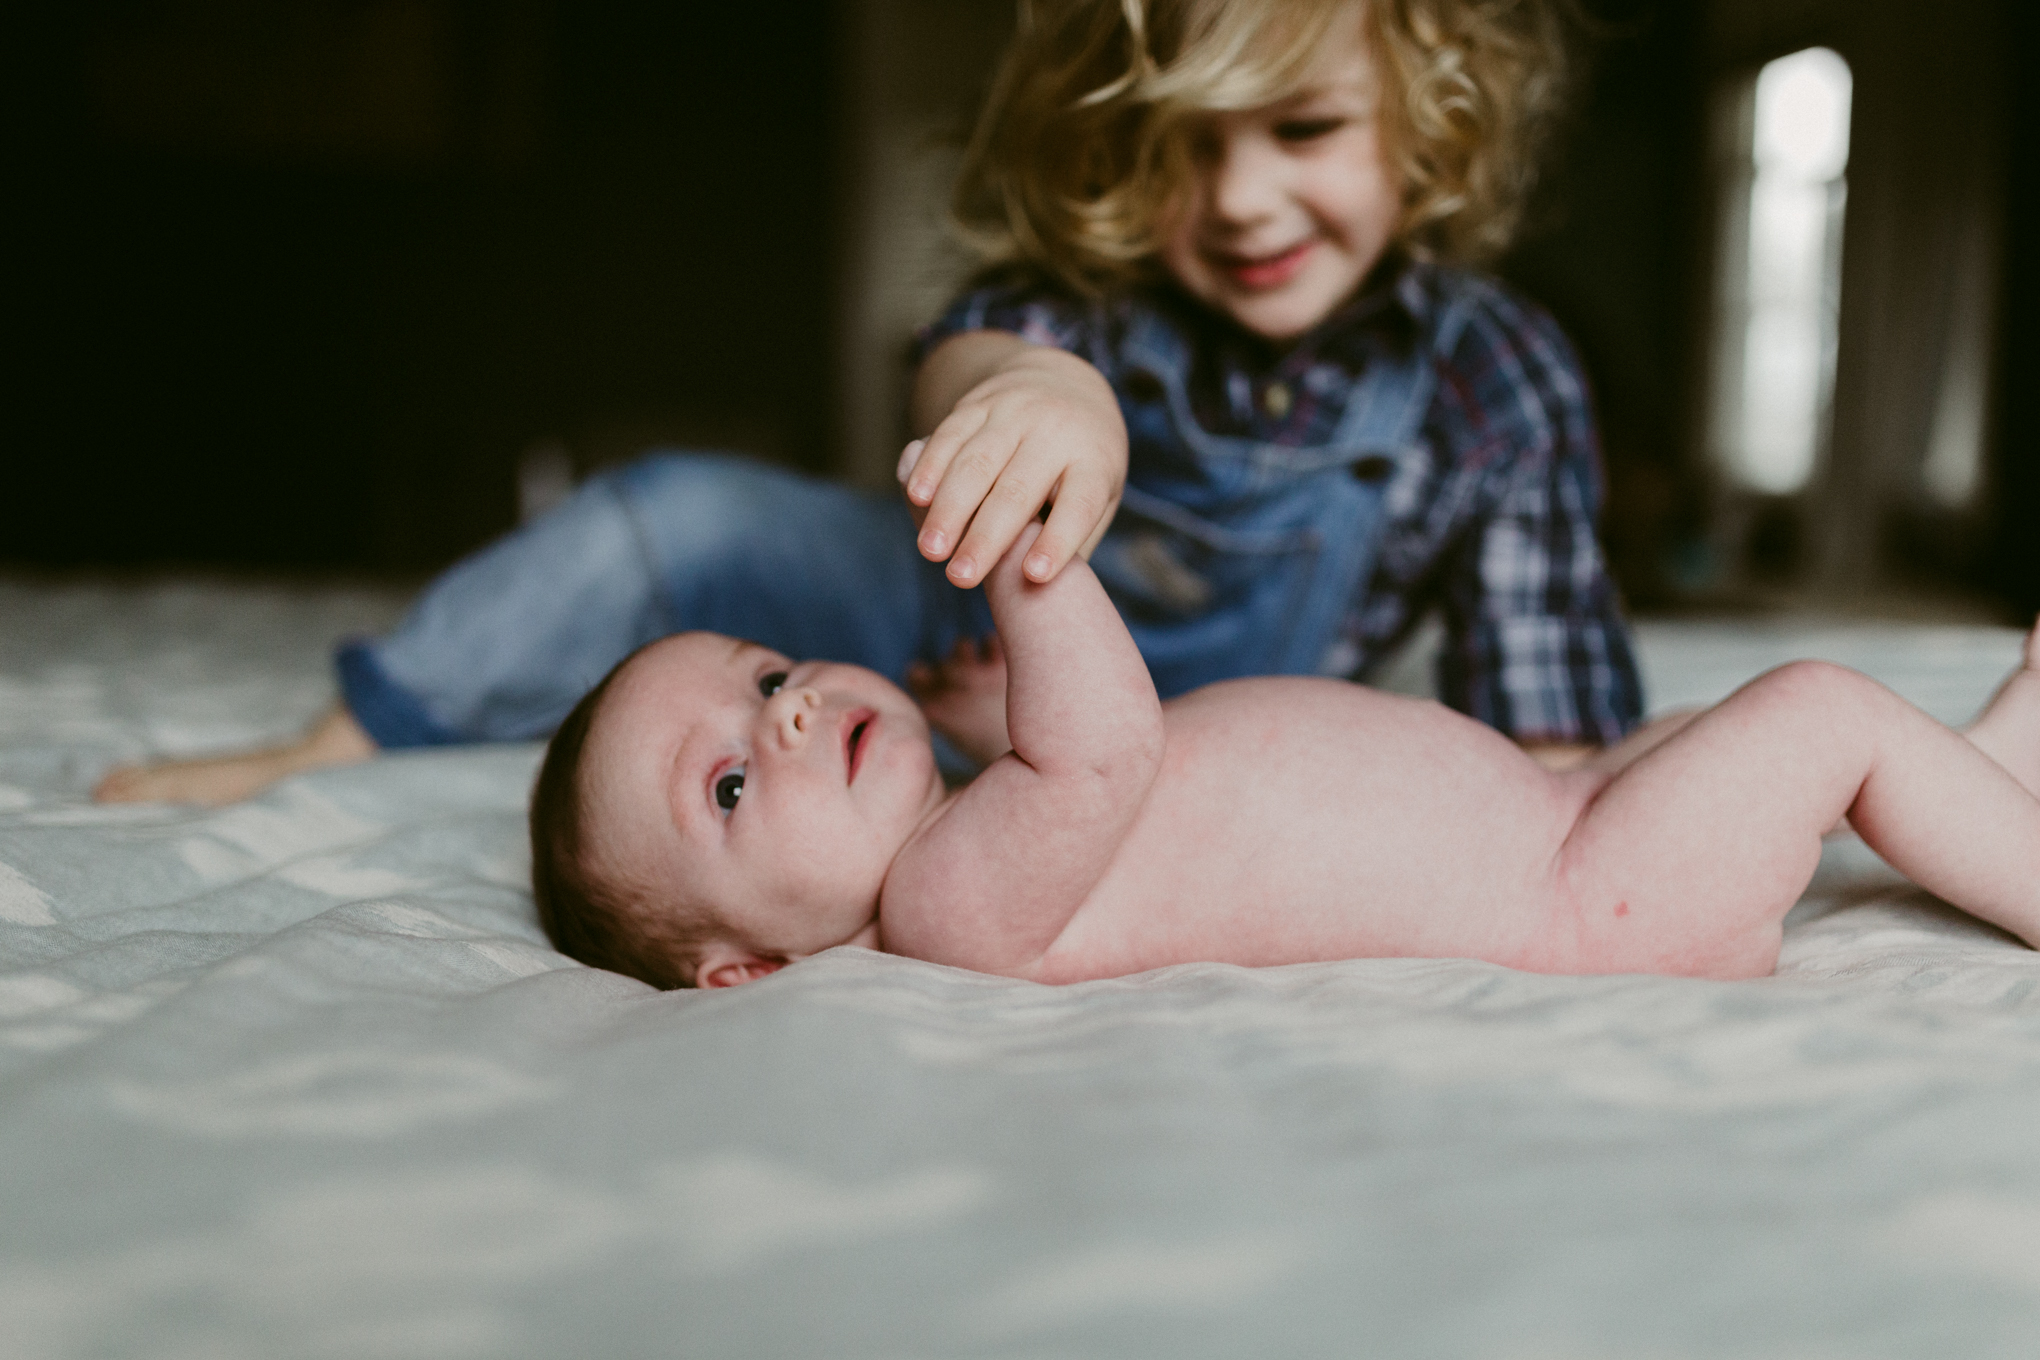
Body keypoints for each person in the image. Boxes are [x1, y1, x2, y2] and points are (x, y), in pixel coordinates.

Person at [96, 0, 1642, 806]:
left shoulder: (1494, 370)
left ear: (1431, 111)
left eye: (1303, 129)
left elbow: (1550, 734)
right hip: (922, 622)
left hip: (1192, 736)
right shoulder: (1091, 292)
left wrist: (1576, 814)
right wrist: (1043, 393)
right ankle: (343, 735)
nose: (1240, 199)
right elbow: (975, 355)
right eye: (1181, 147)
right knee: (676, 504)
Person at [529, 524, 2040, 990]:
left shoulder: (975, 839)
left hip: (1564, 812)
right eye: (729, 786)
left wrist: (981, 721)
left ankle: (1972, 774)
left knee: (1696, 741)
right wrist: (1026, 556)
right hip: (1585, 899)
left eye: (771, 678)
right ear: (743, 971)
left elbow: (1070, 781)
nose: (786, 718)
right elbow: (1108, 758)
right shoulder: (936, 913)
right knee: (1819, 708)